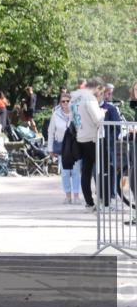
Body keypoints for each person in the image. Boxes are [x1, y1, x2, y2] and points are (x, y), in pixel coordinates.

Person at [70, 78, 106, 211]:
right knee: (103, 170)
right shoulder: (89, 98)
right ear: (97, 87)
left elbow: (72, 118)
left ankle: (89, 203)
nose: (100, 95)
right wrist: (102, 112)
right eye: (101, 92)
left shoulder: (75, 98)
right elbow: (98, 119)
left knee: (86, 171)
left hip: (81, 137)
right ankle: (104, 202)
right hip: (94, 138)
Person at [48, 93, 81, 204]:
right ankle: (68, 196)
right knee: (65, 173)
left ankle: (76, 196)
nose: (66, 103)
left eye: (68, 101)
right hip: (62, 145)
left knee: (76, 171)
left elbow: (81, 128)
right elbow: (51, 132)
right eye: (63, 101)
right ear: (60, 103)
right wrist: (50, 149)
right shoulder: (55, 114)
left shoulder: (77, 113)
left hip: (75, 145)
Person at [100, 83, 122, 206]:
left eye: (109, 93)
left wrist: (111, 138)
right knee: (97, 170)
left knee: (111, 168)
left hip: (109, 144)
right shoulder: (93, 107)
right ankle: (102, 194)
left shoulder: (111, 108)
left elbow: (117, 127)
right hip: (96, 143)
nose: (107, 95)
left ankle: (112, 194)